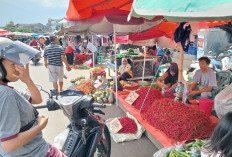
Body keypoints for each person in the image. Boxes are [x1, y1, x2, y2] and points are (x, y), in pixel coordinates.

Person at [0, 37, 67, 157]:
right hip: (35, 153)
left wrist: (28, 80)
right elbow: (9, 144)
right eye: (13, 64)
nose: (18, 66)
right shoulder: (6, 94)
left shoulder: (8, 90)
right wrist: (40, 125)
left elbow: (36, 99)